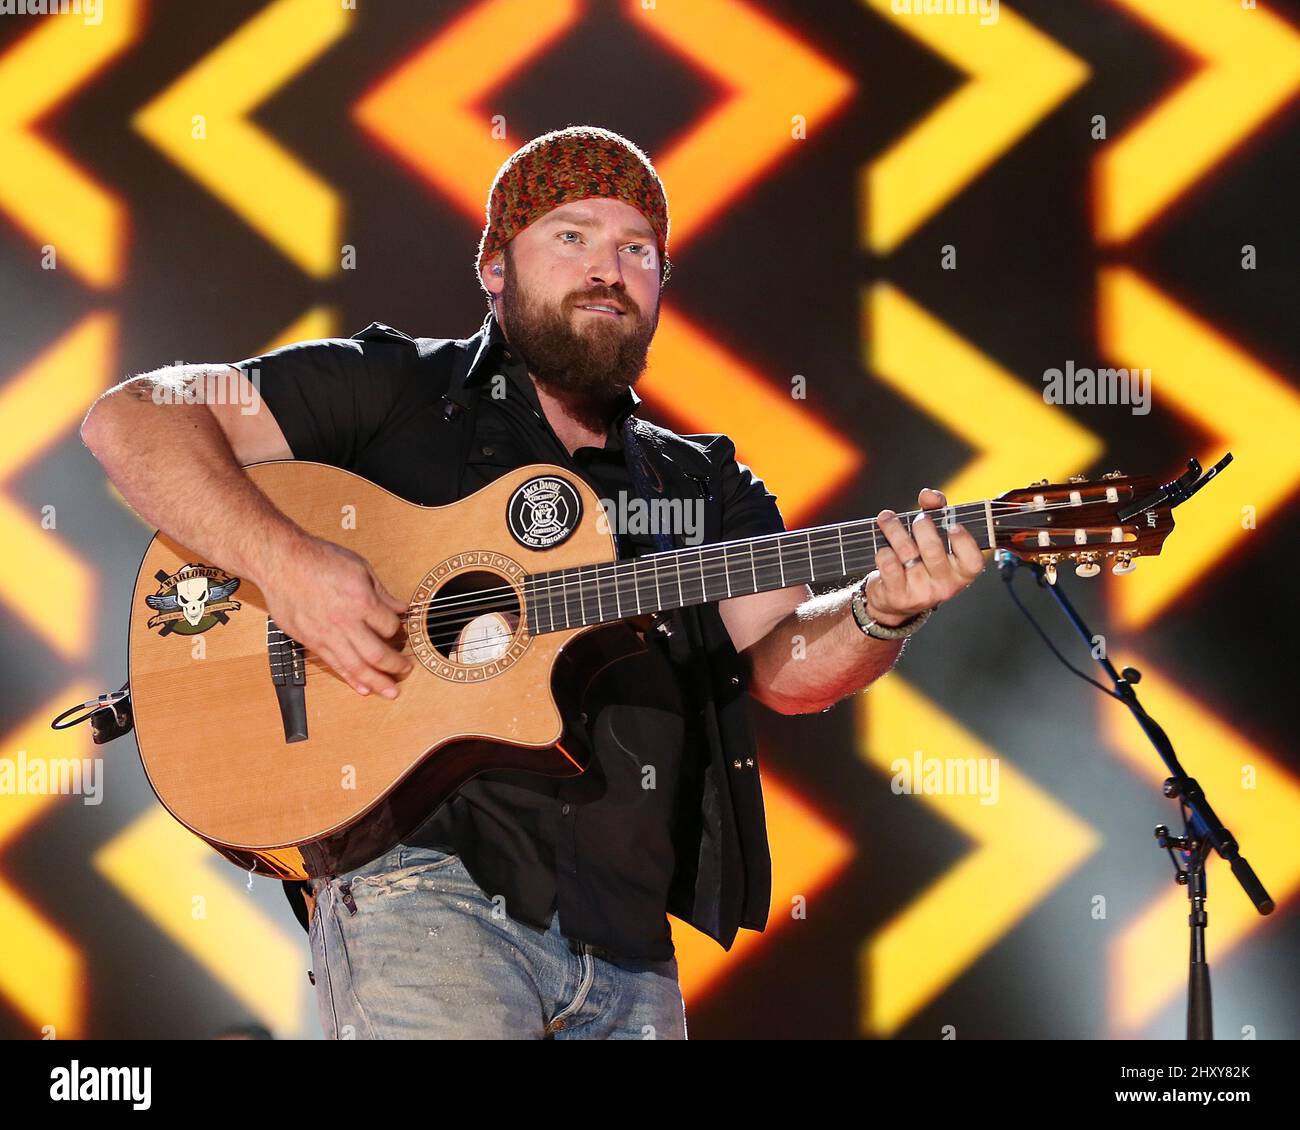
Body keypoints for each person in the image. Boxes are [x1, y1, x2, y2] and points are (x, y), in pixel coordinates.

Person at [80, 125, 985, 1039]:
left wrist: (883, 609)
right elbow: (133, 421)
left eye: (639, 249)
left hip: (632, 946)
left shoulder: (703, 483)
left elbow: (785, 669)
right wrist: (289, 565)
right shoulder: (396, 389)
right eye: (573, 235)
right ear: (494, 267)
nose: (610, 268)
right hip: (424, 900)